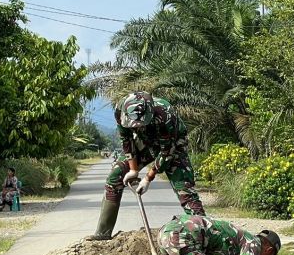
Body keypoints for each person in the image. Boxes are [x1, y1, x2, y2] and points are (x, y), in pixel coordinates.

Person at [86, 91, 205, 241]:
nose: (138, 126)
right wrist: (133, 169)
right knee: (115, 176)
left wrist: (148, 177)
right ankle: (102, 234)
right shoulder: (120, 110)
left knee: (185, 190)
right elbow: (126, 140)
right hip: (144, 142)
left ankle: (204, 235)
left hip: (173, 145)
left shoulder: (165, 113)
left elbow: (166, 152)